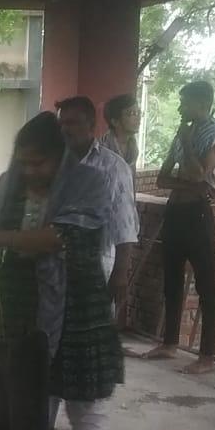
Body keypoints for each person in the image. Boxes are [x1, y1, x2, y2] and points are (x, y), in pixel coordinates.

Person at [0, 111, 128, 430]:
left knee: (89, 414)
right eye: (24, 162)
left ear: (60, 157)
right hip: (22, 313)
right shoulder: (10, 185)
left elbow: (53, 240)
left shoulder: (90, 182)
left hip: (78, 309)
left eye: (39, 163)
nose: (30, 172)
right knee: (27, 413)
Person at [144, 80, 215, 374]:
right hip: (176, 211)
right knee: (171, 281)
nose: (180, 108)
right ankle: (169, 343)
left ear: (201, 104)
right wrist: (191, 181)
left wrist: (188, 149)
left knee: (205, 285)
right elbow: (162, 179)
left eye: (184, 103)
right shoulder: (181, 133)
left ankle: (207, 356)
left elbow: (202, 172)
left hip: (198, 215)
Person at [55, 96, 139, 314]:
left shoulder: (112, 167)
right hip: (56, 263)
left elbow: (125, 223)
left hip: (98, 263)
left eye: (72, 123)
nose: (65, 129)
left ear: (90, 125)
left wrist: (121, 272)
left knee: (93, 327)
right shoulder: (56, 163)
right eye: (61, 123)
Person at [100, 94, 141, 171]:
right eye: (132, 113)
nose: (138, 118)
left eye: (138, 112)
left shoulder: (133, 148)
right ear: (115, 121)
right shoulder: (102, 150)